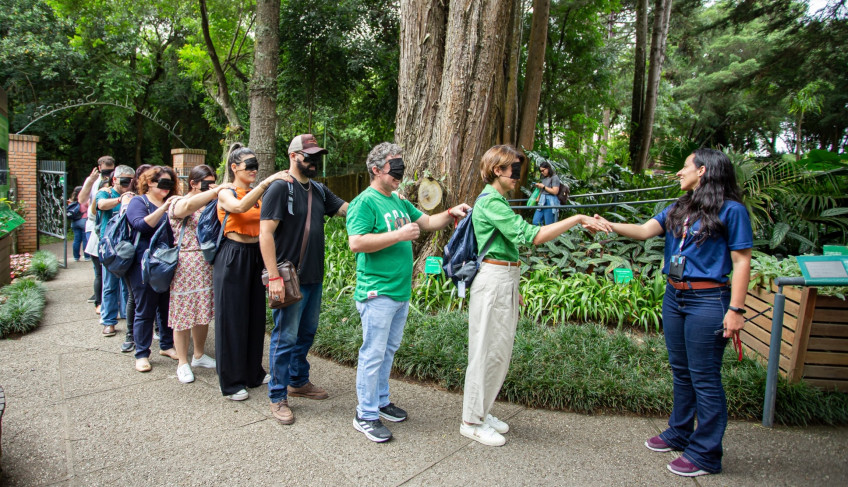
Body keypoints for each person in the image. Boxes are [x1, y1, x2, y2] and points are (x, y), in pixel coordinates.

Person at [592, 148, 752, 477]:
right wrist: (608, 225)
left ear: (704, 171)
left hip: (708, 300)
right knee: (681, 371)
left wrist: (736, 309)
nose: (679, 172)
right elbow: (643, 231)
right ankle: (680, 431)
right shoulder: (679, 208)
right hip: (675, 298)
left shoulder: (732, 211)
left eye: (685, 167)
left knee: (705, 378)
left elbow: (741, 261)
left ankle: (706, 453)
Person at [460, 145, 603, 447]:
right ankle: (471, 421)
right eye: (513, 168)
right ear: (497, 169)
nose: (518, 175)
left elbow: (508, 246)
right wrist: (576, 218)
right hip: (493, 281)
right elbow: (532, 236)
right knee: (485, 352)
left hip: (505, 279)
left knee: (498, 352)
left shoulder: (498, 200)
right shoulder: (491, 202)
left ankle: (482, 412)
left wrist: (514, 286)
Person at [346, 142, 471, 442]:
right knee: (373, 353)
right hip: (377, 291)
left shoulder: (398, 200)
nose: (400, 172)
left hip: (400, 292)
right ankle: (365, 414)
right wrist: (398, 235)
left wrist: (452, 212)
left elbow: (427, 222)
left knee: (388, 350)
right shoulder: (364, 203)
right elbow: (357, 242)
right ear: (376, 170)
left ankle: (380, 401)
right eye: (395, 167)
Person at [259, 134, 348, 424]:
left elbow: (348, 209)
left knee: (306, 333)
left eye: (317, 156)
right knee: (285, 337)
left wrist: (381, 198)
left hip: (313, 277)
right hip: (288, 277)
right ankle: (277, 396)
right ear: (294, 155)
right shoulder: (279, 189)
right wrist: (273, 276)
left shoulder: (320, 191)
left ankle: (298, 381)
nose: (314, 161)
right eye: (309, 156)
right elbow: (265, 234)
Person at [215, 143, 291, 400]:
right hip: (233, 255)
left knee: (255, 316)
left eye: (257, 167)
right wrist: (267, 182)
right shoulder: (226, 191)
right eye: (250, 166)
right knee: (232, 318)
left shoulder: (258, 196)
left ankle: (253, 373)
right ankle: (232, 381)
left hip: (256, 256)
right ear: (234, 167)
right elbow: (238, 208)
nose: (254, 170)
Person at [167, 164, 225, 383]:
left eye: (213, 182)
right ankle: (182, 361)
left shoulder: (211, 203)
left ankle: (198, 354)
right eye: (207, 183)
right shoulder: (177, 201)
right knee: (182, 314)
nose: (211, 186)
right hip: (185, 263)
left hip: (207, 263)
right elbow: (186, 208)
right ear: (193, 183)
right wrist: (216, 191)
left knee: (203, 312)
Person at [125, 166, 180, 372]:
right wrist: (164, 208)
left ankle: (166, 345)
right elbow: (141, 225)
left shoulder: (173, 201)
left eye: (170, 184)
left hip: (166, 261)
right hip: (144, 262)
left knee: (166, 305)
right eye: (163, 183)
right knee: (145, 308)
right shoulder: (139, 202)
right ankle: (141, 353)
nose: (167, 188)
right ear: (149, 182)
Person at [94, 164, 135, 337]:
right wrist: (121, 200)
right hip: (111, 246)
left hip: (128, 244)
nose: (128, 184)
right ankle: (109, 321)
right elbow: (101, 205)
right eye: (125, 180)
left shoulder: (135, 195)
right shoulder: (106, 193)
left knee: (128, 286)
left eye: (131, 181)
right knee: (110, 285)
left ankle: (127, 317)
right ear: (115, 179)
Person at [79, 156, 117, 311]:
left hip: (111, 225)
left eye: (111, 168)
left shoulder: (117, 181)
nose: (108, 172)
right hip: (94, 225)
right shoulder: (94, 181)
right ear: (99, 167)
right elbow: (82, 199)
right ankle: (99, 300)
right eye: (105, 168)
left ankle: (109, 299)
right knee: (99, 267)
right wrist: (90, 181)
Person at [531, 161, 563, 226]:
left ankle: (548, 235)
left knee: (549, 224)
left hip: (550, 201)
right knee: (536, 221)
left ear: (548, 168)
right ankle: (544, 234)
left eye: (543, 170)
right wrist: (538, 197)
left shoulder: (554, 177)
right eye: (541, 171)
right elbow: (543, 189)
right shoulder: (544, 178)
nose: (542, 172)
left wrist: (544, 187)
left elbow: (555, 191)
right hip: (542, 201)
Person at [68, 186, 88, 261]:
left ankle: (76, 257)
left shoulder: (71, 201)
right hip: (83, 220)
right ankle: (87, 256)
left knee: (76, 240)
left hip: (74, 222)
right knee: (85, 239)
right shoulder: (84, 200)